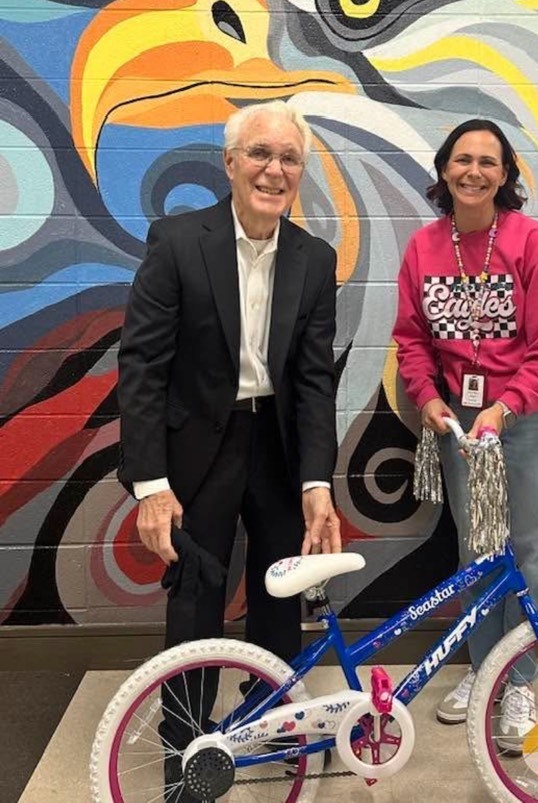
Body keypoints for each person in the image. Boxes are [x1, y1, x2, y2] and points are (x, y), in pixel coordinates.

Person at [117, 99, 341, 798]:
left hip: (275, 442)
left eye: (289, 158)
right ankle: (185, 756)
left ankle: (270, 730)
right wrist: (150, 485)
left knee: (281, 594)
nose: (275, 170)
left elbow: (312, 381)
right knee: (195, 599)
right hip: (195, 453)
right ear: (231, 162)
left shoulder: (314, 258)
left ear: (300, 171)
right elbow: (142, 367)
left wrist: (317, 481)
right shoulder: (179, 241)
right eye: (261, 154)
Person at [392, 118, 538, 750]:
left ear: (505, 174)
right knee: (476, 552)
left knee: (527, 552)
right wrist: (432, 401)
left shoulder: (532, 243)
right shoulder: (423, 248)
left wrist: (506, 408)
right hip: (460, 425)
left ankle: (518, 680)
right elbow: (411, 340)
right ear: (444, 169)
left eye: (488, 162)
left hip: (527, 422)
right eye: (462, 159)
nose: (474, 171)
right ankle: (482, 669)